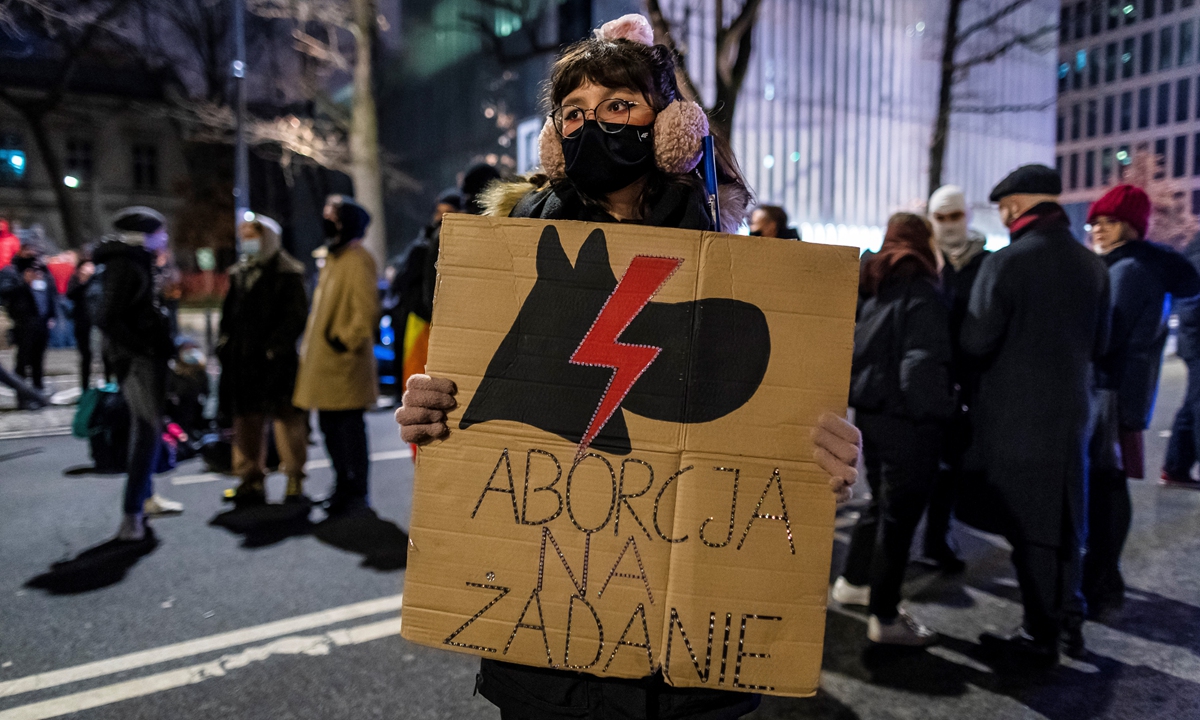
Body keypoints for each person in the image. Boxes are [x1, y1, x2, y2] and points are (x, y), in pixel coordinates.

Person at [394, 14, 860, 720]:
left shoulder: (747, 273)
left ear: (671, 127)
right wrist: (433, 414)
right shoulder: (506, 264)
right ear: (554, 140)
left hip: (684, 680)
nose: (594, 125)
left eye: (619, 105)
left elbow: (766, 475)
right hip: (543, 662)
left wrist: (822, 464)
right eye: (574, 112)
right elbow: (477, 434)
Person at [961, 165, 1109, 667]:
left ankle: (1038, 635)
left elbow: (976, 341)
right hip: (1074, 415)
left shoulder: (1006, 262)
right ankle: (1070, 619)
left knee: (1031, 528)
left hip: (1016, 418)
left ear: (1014, 207)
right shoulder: (1093, 265)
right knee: (1067, 519)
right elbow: (1103, 344)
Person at [833, 213, 954, 645]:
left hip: (872, 412)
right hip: (908, 418)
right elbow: (921, 363)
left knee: (879, 505)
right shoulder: (920, 288)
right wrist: (939, 413)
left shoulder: (876, 284)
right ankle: (885, 617)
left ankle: (854, 581)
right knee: (900, 517)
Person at [1083, 185, 1200, 617]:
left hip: (1109, 390)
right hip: (1124, 391)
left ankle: (1102, 580)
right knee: (1109, 483)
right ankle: (1104, 577)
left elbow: (1105, 335)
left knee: (1106, 485)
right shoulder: (1138, 265)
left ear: (1131, 226)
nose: (1098, 229)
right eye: (1094, 222)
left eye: (1109, 221)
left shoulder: (1127, 269)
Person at [92, 207, 182, 541]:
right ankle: (132, 517)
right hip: (137, 360)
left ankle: (146, 499)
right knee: (146, 431)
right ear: (144, 234)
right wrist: (142, 347)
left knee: (148, 430)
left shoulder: (137, 260)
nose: (165, 237)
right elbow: (106, 317)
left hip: (143, 357)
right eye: (160, 231)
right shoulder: (125, 263)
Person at [293, 195, 379, 515]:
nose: (326, 220)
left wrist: (345, 341)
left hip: (343, 363)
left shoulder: (356, 259)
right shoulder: (333, 257)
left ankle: (355, 491)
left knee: (348, 431)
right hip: (328, 362)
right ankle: (343, 485)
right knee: (331, 429)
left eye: (332, 216)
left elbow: (366, 310)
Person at [920, 185, 989, 573]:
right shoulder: (924, 261)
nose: (948, 225)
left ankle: (939, 536)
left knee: (956, 464)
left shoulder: (987, 263)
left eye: (955, 216)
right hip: (935, 375)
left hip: (972, 377)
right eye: (941, 218)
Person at [218, 215, 311, 505]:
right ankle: (250, 478)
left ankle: (294, 477)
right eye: (244, 236)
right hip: (243, 359)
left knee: (286, 418)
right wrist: (225, 346)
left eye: (253, 236)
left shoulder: (288, 272)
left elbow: (296, 316)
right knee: (246, 419)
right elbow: (229, 315)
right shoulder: (240, 272)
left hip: (276, 360)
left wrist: (275, 349)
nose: (248, 242)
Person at [1164, 231, 1200, 488]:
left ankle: (1176, 465)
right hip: (1196, 337)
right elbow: (1191, 299)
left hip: (1193, 335)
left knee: (1193, 402)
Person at [1, 246, 57, 400]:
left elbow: (50, 293)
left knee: (38, 360)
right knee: (23, 361)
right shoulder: (11, 272)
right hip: (23, 323)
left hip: (42, 322)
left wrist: (52, 315)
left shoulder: (43, 271)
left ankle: (39, 393)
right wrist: (23, 282)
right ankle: (23, 397)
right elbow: (4, 292)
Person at [67, 253, 98, 389]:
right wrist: (83, 282)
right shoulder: (76, 280)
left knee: (104, 356)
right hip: (82, 323)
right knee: (86, 356)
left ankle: (108, 385)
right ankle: (85, 386)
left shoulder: (97, 280)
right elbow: (70, 295)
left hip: (96, 323)